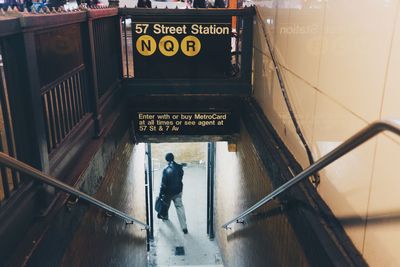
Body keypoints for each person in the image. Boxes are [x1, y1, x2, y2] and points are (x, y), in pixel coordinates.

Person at [157, 153, 188, 234]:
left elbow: (163, 184)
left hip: (168, 193)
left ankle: (165, 217)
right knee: (179, 207)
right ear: (173, 158)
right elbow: (181, 177)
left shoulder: (166, 170)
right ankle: (184, 226)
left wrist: (161, 194)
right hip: (178, 191)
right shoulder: (179, 167)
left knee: (166, 204)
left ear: (166, 160)